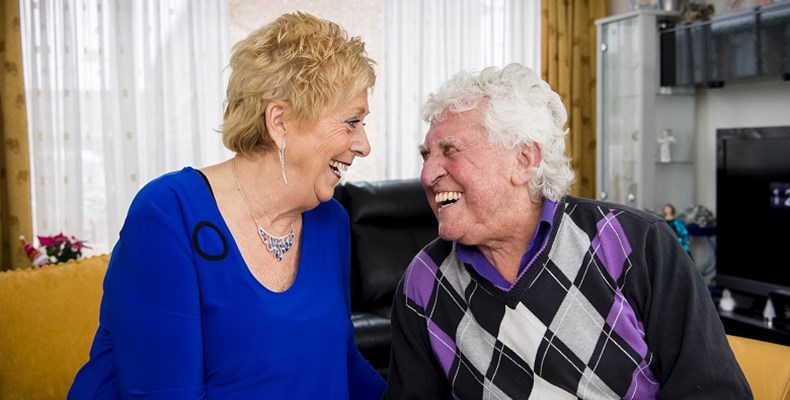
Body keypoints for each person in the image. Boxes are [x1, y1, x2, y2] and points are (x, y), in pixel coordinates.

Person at [68, 12, 386, 399]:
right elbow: (166, 394)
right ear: (280, 121)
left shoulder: (329, 221)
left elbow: (341, 363)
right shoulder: (169, 215)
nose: (363, 145)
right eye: (351, 121)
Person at [387, 63, 751, 399]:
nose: (427, 174)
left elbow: (714, 391)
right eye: (426, 155)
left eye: (449, 150)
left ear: (523, 160)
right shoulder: (423, 281)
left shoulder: (635, 244)